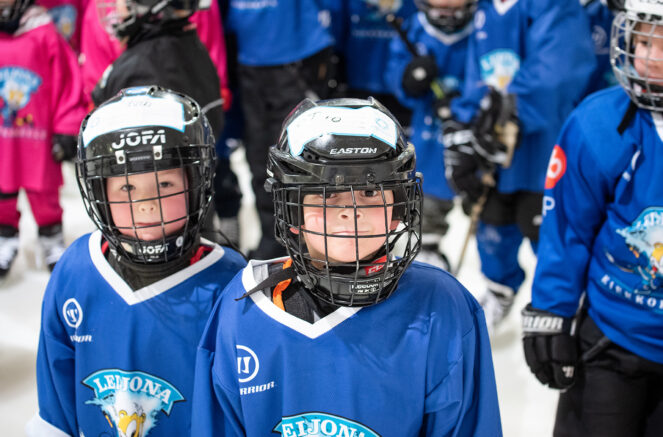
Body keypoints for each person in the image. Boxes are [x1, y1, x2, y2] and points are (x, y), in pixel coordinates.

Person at [191, 97, 502, 436]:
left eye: (369, 191)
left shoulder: (443, 307)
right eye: (327, 194)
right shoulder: (244, 309)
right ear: (291, 210)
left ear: (398, 205)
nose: (351, 211)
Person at [26, 86, 246, 436]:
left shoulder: (232, 284)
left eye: (165, 183)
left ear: (195, 184)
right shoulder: (75, 271)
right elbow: (56, 408)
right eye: (127, 188)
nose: (147, 204)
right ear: (99, 192)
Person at [522, 1, 663, 435]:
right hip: (612, 340)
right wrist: (551, 308)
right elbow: (567, 230)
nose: (651, 58)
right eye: (643, 40)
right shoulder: (597, 123)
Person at [442, 0, 596, 329]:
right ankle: (499, 288)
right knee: (493, 219)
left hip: (545, 144)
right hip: (497, 140)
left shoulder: (554, 5)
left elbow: (558, 70)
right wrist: (470, 123)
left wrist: (505, 111)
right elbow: (475, 73)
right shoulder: (484, 6)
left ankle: (568, 303)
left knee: (549, 226)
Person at [91, 0, 240, 246]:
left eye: (124, 2)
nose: (116, 9)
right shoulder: (186, 45)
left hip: (158, 228)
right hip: (190, 211)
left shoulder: (145, 67)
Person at [222, 1, 337, 259]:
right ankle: (272, 238)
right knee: (258, 159)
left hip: (293, 65)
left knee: (294, 158)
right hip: (247, 66)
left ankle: (300, 243)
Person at [0, 0, 87, 278]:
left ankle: (51, 239)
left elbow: (68, 83)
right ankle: (5, 236)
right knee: (1, 190)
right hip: (3, 141)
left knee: (45, 192)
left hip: (39, 137)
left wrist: (67, 127)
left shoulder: (45, 33)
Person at [385, 0, 475, 271]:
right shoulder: (414, 29)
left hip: (475, 130)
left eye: (454, 9)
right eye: (440, 8)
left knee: (484, 198)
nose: (447, 16)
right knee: (429, 187)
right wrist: (409, 80)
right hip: (430, 133)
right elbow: (394, 71)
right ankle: (429, 243)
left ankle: (497, 275)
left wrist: (460, 107)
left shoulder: (482, 28)